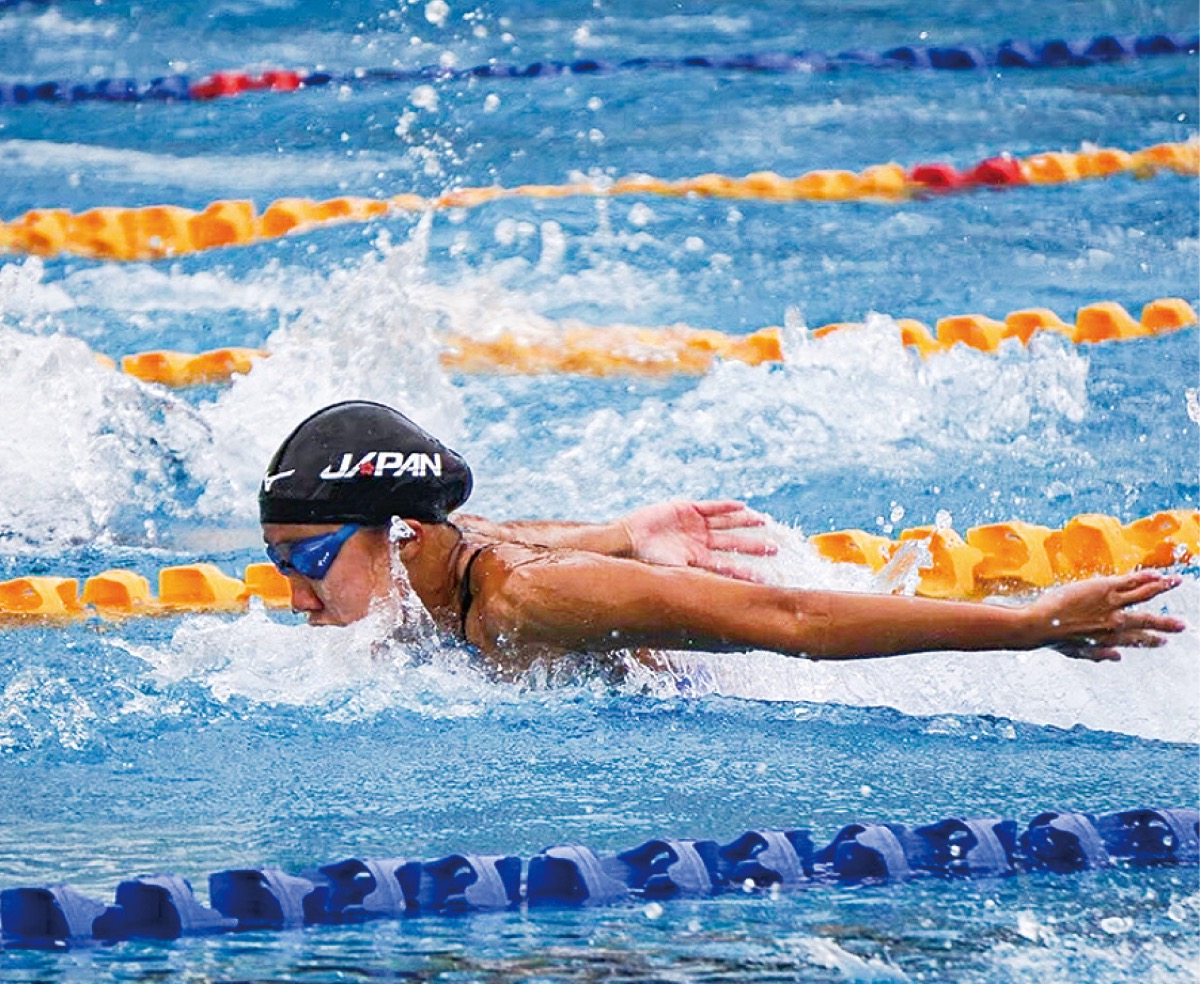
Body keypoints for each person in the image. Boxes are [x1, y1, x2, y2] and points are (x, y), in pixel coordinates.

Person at [259, 400, 1185, 671]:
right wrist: (624, 532)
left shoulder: (529, 599)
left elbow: (790, 620)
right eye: (279, 566)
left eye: (308, 564)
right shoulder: (440, 569)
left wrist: (1027, 626)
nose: (297, 598)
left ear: (406, 534)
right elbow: (501, 528)